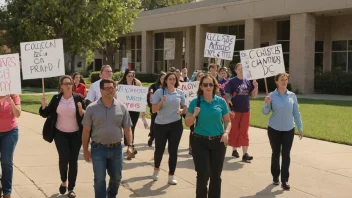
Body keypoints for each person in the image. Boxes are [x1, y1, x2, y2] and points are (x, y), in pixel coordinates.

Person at [82, 79, 134, 198]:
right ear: (101, 90)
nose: (110, 91)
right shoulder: (91, 108)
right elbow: (86, 131)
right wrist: (85, 150)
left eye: (112, 88)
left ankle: (111, 195)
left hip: (116, 149)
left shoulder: (122, 107)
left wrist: (130, 145)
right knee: (100, 179)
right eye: (106, 88)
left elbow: (127, 129)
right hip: (98, 149)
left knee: (116, 178)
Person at [185, 74, 231, 198]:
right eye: (205, 84)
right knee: (203, 174)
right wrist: (194, 115)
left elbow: (227, 120)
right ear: (201, 86)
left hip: (218, 142)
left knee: (216, 175)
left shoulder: (221, 101)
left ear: (214, 86)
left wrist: (226, 133)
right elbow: (187, 122)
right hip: (200, 142)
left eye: (211, 84)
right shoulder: (196, 102)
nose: (208, 86)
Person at [39, 75, 86, 198]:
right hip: (60, 134)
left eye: (70, 83)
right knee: (64, 158)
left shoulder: (78, 98)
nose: (69, 85)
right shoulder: (56, 98)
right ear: (61, 86)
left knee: (73, 161)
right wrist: (43, 105)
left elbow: (87, 116)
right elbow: (45, 114)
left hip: (76, 134)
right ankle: (64, 181)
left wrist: (81, 111)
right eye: (66, 83)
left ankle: (71, 188)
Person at [262, 73, 303, 191]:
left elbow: (296, 112)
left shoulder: (292, 95)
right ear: (276, 82)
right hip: (274, 129)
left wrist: (300, 127)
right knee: (275, 153)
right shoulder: (271, 95)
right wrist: (266, 103)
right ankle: (275, 176)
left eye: (286, 80)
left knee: (286, 154)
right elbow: (265, 112)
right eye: (282, 80)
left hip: (289, 129)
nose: (284, 82)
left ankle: (285, 180)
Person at [151, 72, 186, 185]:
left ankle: (171, 175)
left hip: (176, 125)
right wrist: (162, 101)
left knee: (173, 151)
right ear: (165, 81)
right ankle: (156, 169)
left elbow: (184, 106)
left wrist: (182, 110)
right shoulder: (159, 92)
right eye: (170, 79)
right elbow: (153, 110)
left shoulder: (180, 93)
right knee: (159, 150)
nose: (172, 81)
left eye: (174, 79)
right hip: (161, 125)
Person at [224, 63, 258, 162]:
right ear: (235, 70)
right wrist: (231, 108)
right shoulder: (232, 82)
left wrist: (255, 87)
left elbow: (254, 96)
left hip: (246, 110)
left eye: (243, 69)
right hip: (235, 110)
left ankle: (245, 153)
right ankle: (234, 150)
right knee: (234, 130)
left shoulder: (248, 81)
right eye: (239, 69)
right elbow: (227, 95)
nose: (241, 70)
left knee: (244, 131)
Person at [117, 69, 143, 157]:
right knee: (125, 127)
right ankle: (127, 142)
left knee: (132, 127)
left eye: (132, 76)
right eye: (129, 76)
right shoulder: (120, 85)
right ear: (125, 76)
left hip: (135, 110)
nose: (131, 77)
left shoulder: (137, 84)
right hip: (124, 110)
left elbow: (141, 97)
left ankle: (130, 145)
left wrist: (142, 110)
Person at [0, 94, 21, 198]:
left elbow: (18, 114)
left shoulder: (13, 95)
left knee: (6, 161)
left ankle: (6, 191)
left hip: (10, 132)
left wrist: (10, 101)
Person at [147, 72, 166, 147]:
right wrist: (152, 106)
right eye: (162, 78)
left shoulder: (168, 88)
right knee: (154, 124)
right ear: (159, 79)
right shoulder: (153, 87)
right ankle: (152, 137)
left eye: (165, 79)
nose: (163, 80)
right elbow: (150, 98)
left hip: (164, 110)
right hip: (155, 109)